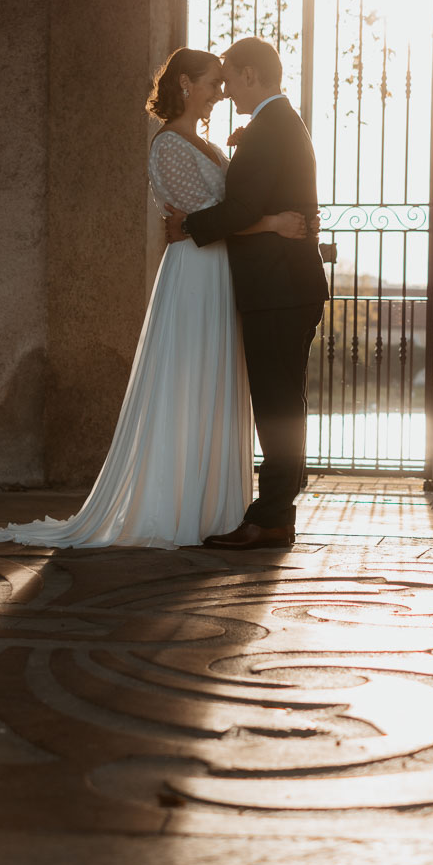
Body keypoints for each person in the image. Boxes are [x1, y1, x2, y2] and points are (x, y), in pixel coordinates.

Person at [0, 47, 308, 549]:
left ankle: (224, 507)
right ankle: (176, 505)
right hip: (196, 275)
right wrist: (266, 220)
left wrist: (238, 164)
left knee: (222, 385)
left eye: (225, 83)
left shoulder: (210, 143)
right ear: (185, 84)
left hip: (223, 273)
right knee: (187, 384)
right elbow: (215, 213)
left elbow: (223, 208)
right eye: (212, 83)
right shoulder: (168, 147)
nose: (220, 92)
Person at [162, 37, 328, 551]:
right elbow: (264, 197)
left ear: (252, 75)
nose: (227, 88)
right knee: (286, 403)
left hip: (277, 289)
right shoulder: (277, 124)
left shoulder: (268, 129)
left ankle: (270, 517)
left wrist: (188, 225)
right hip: (287, 286)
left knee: (277, 406)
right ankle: (276, 512)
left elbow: (239, 210)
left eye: (230, 77)